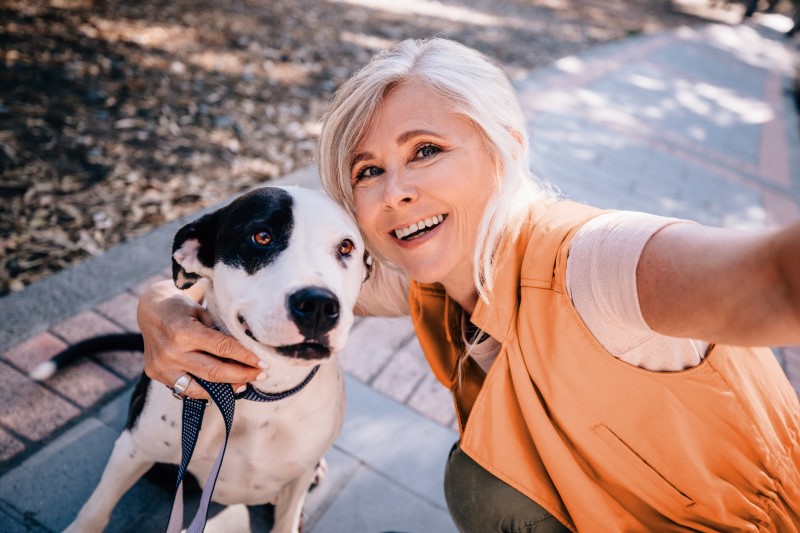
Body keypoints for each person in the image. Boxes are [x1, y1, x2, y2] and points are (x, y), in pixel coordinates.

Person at [138, 38, 800, 531]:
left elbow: (778, 280)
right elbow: (248, 285)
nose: (395, 192)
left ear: (505, 148)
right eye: (368, 170)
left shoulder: (596, 262)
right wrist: (159, 306)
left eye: (426, 150)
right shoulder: (423, 278)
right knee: (480, 480)